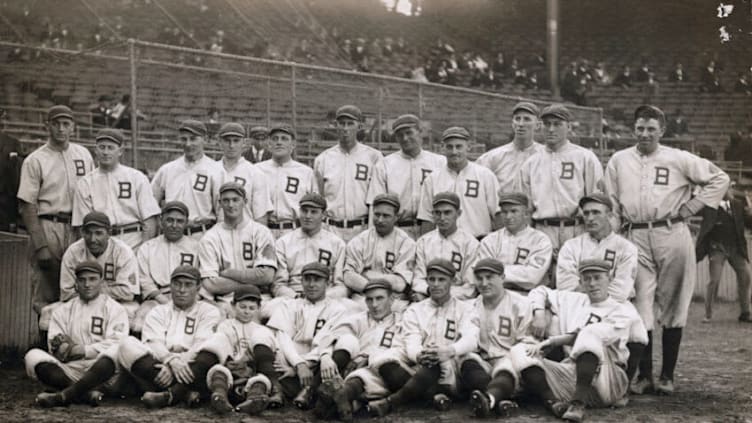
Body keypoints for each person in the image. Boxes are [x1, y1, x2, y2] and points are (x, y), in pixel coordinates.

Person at [604, 104, 729, 395]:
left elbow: (720, 178)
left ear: (662, 131)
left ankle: (667, 375)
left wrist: (694, 205)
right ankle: (644, 375)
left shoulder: (678, 158)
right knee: (641, 303)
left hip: (671, 230)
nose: (644, 134)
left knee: (674, 303)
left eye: (651, 129)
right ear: (632, 129)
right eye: (640, 128)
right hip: (635, 233)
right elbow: (612, 201)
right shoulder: (619, 160)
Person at [508, 259, 648, 423]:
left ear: (609, 279)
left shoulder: (623, 308)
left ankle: (577, 405)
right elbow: (540, 291)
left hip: (608, 379)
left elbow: (635, 340)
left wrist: (554, 341)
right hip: (572, 376)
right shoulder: (573, 299)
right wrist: (539, 313)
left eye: (597, 277)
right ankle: (553, 402)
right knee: (520, 350)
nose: (592, 283)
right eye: (587, 279)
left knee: (590, 332)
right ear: (580, 281)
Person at [366, 258, 480, 416]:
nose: (436, 284)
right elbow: (411, 341)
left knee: (470, 361)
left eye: (441, 280)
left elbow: (471, 339)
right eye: (431, 279)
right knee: (387, 363)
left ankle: (392, 402)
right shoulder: (415, 310)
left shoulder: (465, 308)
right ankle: (434, 396)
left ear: (452, 281)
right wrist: (420, 355)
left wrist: (449, 351)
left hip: (453, 365)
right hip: (424, 371)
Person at [18, 105, 95, 315]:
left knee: (81, 287)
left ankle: (74, 342)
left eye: (66, 124)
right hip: (48, 224)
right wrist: (40, 244)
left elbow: (91, 192)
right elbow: (27, 204)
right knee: (46, 290)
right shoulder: (35, 159)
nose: (61, 129)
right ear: (47, 126)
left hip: (78, 227)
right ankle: (43, 343)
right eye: (56, 124)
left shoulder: (83, 154)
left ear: (73, 127)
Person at [25, 261, 129, 408]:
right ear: (76, 283)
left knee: (116, 351)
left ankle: (65, 395)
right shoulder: (63, 310)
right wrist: (62, 347)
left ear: (102, 282)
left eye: (92, 279)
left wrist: (82, 350)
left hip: (102, 372)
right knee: (32, 356)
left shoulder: (115, 309)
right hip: (70, 370)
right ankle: (84, 394)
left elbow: (117, 342)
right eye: (82, 280)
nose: (87, 284)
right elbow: (56, 347)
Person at [117, 265, 223, 408]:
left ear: (198, 288)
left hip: (192, 364)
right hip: (160, 366)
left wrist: (177, 363)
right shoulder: (158, 311)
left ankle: (171, 394)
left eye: (188, 285)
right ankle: (186, 391)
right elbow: (153, 343)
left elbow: (201, 344)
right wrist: (170, 361)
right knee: (126, 344)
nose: (182, 290)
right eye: (177, 284)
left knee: (219, 341)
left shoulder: (209, 311)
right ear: (171, 286)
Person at [516, 103, 603, 255]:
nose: (551, 129)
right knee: (544, 277)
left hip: (577, 228)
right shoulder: (531, 162)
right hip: (543, 229)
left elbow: (596, 199)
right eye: (547, 124)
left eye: (557, 124)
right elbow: (524, 206)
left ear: (568, 127)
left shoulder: (584, 157)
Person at [315, 279, 407, 422]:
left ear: (391, 299)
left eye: (379, 298)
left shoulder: (402, 322)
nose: (374, 305)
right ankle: (343, 398)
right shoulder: (358, 319)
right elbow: (331, 337)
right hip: (356, 370)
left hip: (389, 368)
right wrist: (326, 356)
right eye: (369, 300)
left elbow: (405, 349)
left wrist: (369, 357)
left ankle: (340, 396)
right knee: (359, 375)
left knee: (380, 370)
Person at [265, 262, 349, 410]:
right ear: (301, 281)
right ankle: (278, 389)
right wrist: (299, 364)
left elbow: (327, 343)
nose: (311, 284)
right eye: (307, 279)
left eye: (317, 280)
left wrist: (305, 365)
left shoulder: (337, 309)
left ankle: (306, 390)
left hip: (316, 363)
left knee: (335, 352)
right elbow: (283, 337)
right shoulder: (289, 305)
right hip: (290, 360)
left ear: (327, 283)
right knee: (267, 339)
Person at [39, 212, 138, 332]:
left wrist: (92, 289)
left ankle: (120, 347)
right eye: (88, 233)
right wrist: (96, 292)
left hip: (115, 303)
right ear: (82, 233)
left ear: (109, 233)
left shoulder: (123, 252)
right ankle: (53, 347)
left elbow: (128, 292)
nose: (93, 239)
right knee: (47, 314)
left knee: (132, 315)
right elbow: (66, 293)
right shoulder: (73, 252)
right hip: (79, 301)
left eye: (98, 233)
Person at [465, 258, 534, 418]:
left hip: (510, 362)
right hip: (483, 362)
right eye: (479, 278)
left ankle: (490, 399)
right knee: (466, 358)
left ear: (502, 278)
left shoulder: (521, 304)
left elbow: (525, 342)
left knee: (506, 365)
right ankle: (498, 400)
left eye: (490, 277)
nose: (484, 283)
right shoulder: (470, 306)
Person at [73, 128, 160, 250]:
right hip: (102, 241)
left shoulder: (136, 177)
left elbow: (149, 219)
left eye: (110, 147)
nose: (105, 152)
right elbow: (83, 225)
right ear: (95, 150)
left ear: (120, 151)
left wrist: (144, 250)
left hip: (134, 238)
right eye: (102, 147)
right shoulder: (85, 183)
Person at [203, 285, 283, 415]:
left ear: (258, 309)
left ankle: (253, 400)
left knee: (260, 380)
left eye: (252, 308)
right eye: (243, 307)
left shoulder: (261, 330)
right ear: (233, 306)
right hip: (230, 369)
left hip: (249, 372)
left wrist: (248, 360)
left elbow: (268, 351)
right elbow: (222, 346)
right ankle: (220, 397)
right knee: (219, 372)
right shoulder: (225, 325)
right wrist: (233, 361)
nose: (247, 311)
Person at [198, 182, 277, 309]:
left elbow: (267, 276)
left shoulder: (261, 232)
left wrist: (229, 273)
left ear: (245, 201)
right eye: (226, 200)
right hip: (226, 300)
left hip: (260, 299)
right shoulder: (210, 237)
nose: (231, 205)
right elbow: (210, 284)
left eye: (235, 200)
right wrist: (252, 284)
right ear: (220, 203)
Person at [368, 114, 445, 239]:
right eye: (400, 135)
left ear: (420, 132)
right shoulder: (385, 165)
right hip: (398, 230)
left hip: (433, 229)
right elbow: (375, 205)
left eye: (409, 132)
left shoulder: (439, 162)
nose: (405, 138)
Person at [314, 105, 384, 241]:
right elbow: (318, 199)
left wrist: (372, 232)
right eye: (342, 123)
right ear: (336, 126)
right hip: (331, 229)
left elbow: (377, 200)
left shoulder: (374, 157)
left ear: (360, 126)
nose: (345, 128)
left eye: (350, 124)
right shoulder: (323, 158)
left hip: (362, 228)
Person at [418, 126, 499, 239]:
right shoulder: (432, 179)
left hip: (478, 240)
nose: (454, 152)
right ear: (442, 148)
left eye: (459, 146)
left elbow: (498, 214)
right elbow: (427, 218)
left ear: (468, 147)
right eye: (450, 147)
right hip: (443, 242)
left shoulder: (485, 175)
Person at [556, 193, 638, 302]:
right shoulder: (571, 246)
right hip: (578, 305)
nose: (590, 218)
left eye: (596, 213)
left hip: (615, 306)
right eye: (586, 213)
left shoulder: (626, 248)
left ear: (609, 216)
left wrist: (594, 297)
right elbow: (565, 285)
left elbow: (621, 290)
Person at [133, 201, 200, 333]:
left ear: (186, 223)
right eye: (170, 220)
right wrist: (163, 300)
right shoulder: (148, 247)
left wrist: (190, 298)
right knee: (139, 321)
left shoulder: (196, 247)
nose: (174, 225)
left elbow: (203, 278)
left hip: (190, 297)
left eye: (180, 221)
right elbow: (144, 280)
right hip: (158, 298)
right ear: (161, 221)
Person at [151, 120, 223, 240]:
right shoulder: (168, 169)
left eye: (193, 138)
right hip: (170, 235)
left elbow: (222, 212)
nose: (188, 144)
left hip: (201, 234)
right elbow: (150, 203)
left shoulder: (216, 170)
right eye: (184, 139)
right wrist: (161, 221)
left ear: (204, 139)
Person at [344, 193, 415, 308]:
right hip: (363, 298)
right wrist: (376, 286)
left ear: (396, 217)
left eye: (386, 216)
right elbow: (348, 276)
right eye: (377, 215)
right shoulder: (360, 240)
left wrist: (368, 274)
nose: (380, 220)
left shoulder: (406, 243)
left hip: (394, 300)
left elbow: (400, 284)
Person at [696, 182, 752, 322]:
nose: (731, 190)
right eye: (729, 187)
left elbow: (747, 224)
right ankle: (708, 314)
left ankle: (745, 313)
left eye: (731, 187)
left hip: (736, 249)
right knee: (714, 281)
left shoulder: (737, 205)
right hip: (717, 249)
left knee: (745, 277)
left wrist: (751, 215)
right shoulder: (711, 207)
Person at [273, 193, 347, 299]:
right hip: (293, 296)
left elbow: (340, 286)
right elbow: (278, 285)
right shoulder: (283, 242)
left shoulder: (337, 244)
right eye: (304, 211)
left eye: (314, 212)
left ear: (324, 215)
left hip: (327, 297)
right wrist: (296, 297)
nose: (308, 216)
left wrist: (323, 297)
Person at [476, 192, 553, 292]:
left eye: (513, 211)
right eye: (504, 212)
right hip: (497, 294)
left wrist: (497, 272)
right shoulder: (490, 240)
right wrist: (520, 271)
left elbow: (532, 277)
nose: (508, 216)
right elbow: (484, 275)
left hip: (529, 295)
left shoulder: (541, 240)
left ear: (526, 214)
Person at [413, 192, 479, 301]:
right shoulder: (423, 242)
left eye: (447, 212)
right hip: (428, 297)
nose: (442, 218)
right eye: (438, 213)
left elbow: (470, 287)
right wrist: (429, 291)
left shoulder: (470, 243)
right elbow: (417, 280)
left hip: (459, 301)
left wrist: (441, 295)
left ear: (458, 213)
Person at [256, 124, 317, 238]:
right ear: (269, 144)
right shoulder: (257, 170)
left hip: (294, 230)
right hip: (264, 230)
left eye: (284, 138)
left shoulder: (306, 172)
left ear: (293, 144)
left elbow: (315, 207)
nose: (279, 142)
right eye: (275, 139)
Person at [476, 102, 545, 196]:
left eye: (527, 119)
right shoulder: (493, 157)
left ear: (538, 125)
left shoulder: (545, 156)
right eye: (517, 119)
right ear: (513, 124)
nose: (521, 124)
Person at [216, 122, 272, 224]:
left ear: (244, 143)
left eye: (236, 141)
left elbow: (260, 217)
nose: (231, 145)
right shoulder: (211, 170)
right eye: (227, 141)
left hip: (245, 232)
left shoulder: (256, 173)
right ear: (220, 142)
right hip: (215, 233)